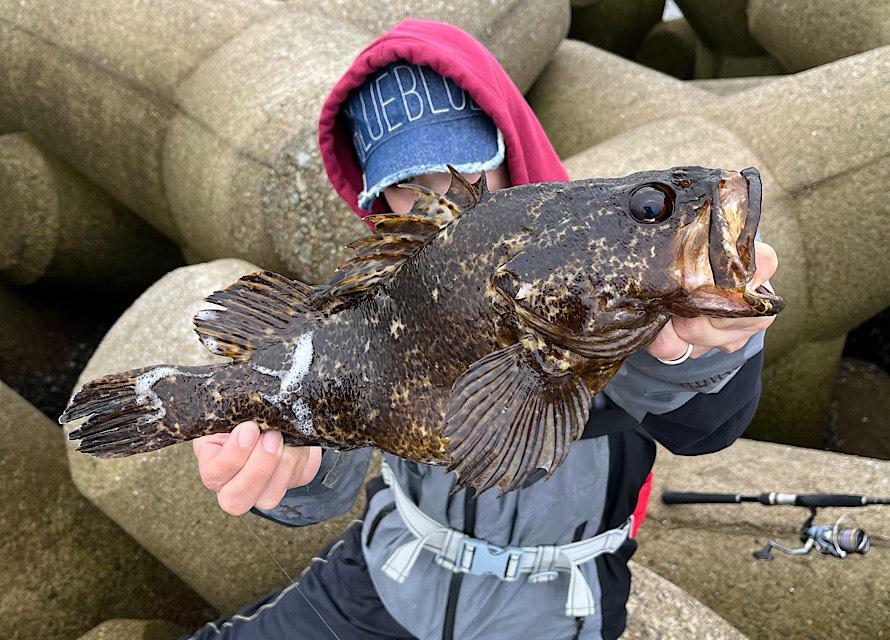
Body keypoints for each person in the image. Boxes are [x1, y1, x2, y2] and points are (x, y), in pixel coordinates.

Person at [185, 18, 777, 640]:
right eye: (406, 185)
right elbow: (336, 470)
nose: (438, 199)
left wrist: (704, 349)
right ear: (375, 200)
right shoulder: (380, 302)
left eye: (464, 168)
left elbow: (703, 426)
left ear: (507, 143)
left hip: (555, 614)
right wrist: (296, 469)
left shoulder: (601, 263)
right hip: (384, 574)